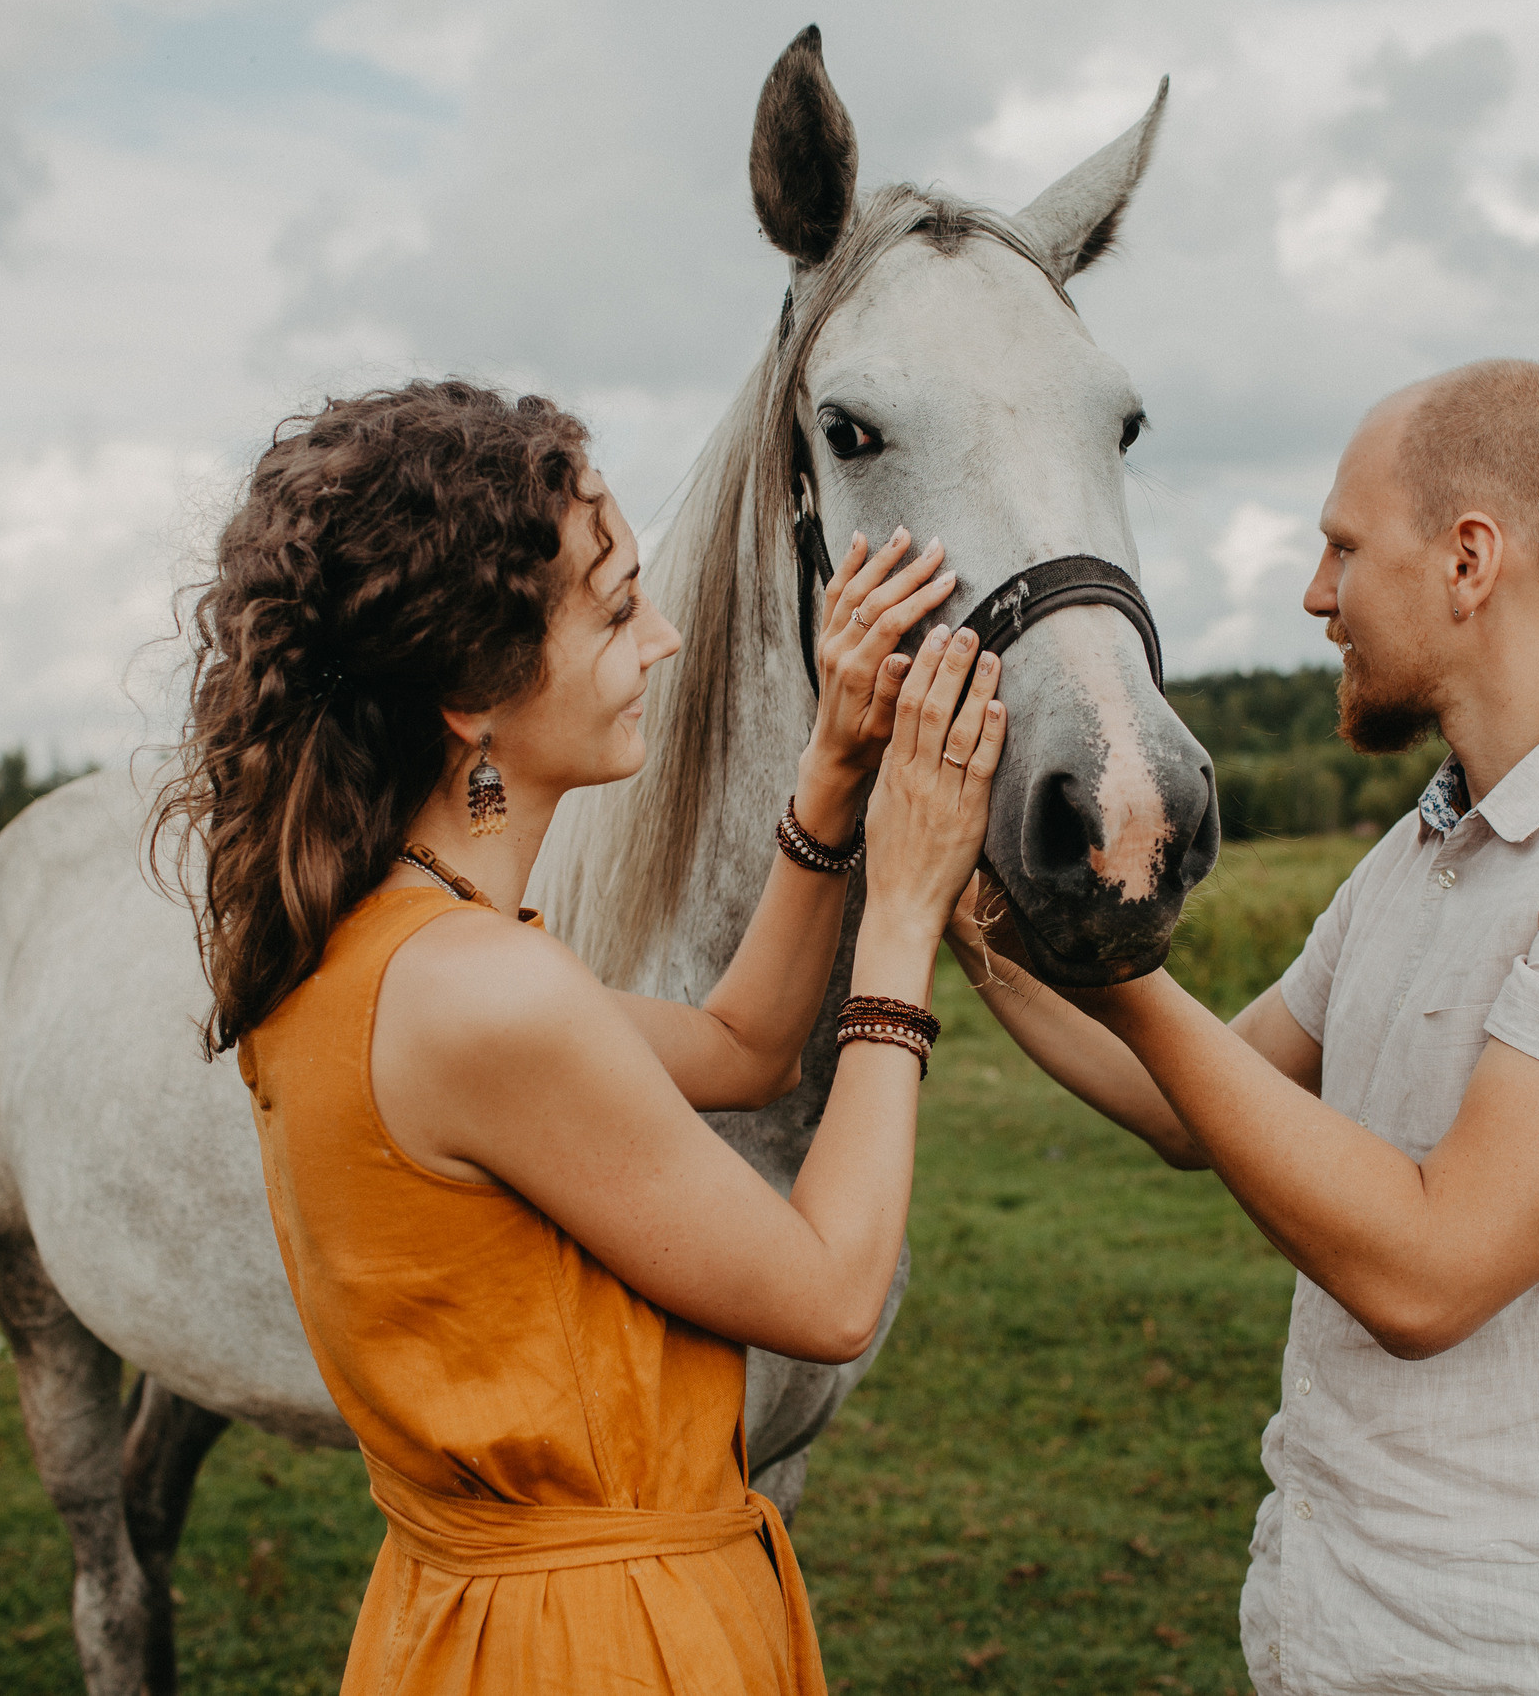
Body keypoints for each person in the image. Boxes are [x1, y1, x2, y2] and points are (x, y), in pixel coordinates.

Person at [951, 359, 1539, 1694]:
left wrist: (1126, 966)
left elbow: (1430, 1271)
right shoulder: (1426, 851)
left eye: (1344, 548)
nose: (1317, 596)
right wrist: (971, 934)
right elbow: (1199, 1102)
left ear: (1469, 560)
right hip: (1337, 1629)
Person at [157, 380, 1005, 1695]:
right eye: (615, 611)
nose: (663, 639)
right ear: (471, 695)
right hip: (603, 1647)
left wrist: (831, 785)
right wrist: (901, 917)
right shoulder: (484, 993)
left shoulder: (387, 947)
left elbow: (742, 1048)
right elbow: (832, 1293)